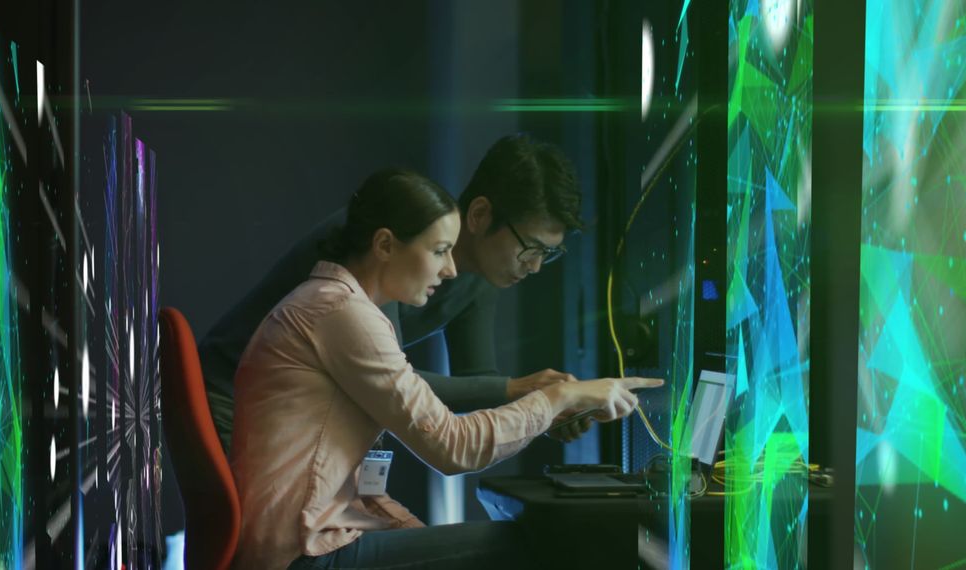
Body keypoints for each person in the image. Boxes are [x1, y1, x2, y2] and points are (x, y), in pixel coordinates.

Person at [229, 168, 663, 569]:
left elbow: (364, 489)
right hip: (301, 555)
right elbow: (454, 448)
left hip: (300, 544)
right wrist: (559, 396)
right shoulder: (344, 314)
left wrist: (416, 534)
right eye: (439, 251)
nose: (451, 268)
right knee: (539, 543)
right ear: (385, 245)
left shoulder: (333, 304)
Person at [200, 134, 595, 453]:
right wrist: (522, 392)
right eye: (531, 248)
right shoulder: (389, 243)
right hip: (232, 398)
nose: (535, 266)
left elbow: (475, 383)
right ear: (479, 215)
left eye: (548, 254)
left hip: (293, 416)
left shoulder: (479, 277)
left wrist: (544, 409)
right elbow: (394, 379)